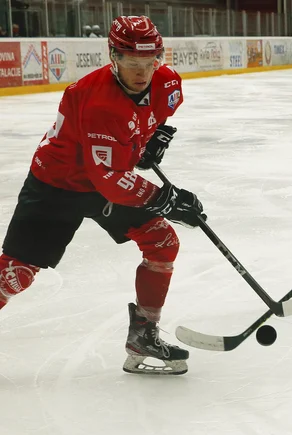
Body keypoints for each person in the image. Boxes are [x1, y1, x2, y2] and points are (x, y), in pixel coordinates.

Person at [0, 16, 204, 375]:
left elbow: (150, 118)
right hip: (58, 184)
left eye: (149, 63)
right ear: (113, 57)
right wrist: (166, 199)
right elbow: (111, 180)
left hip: (104, 177)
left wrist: (149, 140)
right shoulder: (97, 103)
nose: (143, 73)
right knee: (16, 274)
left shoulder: (167, 82)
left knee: (162, 241)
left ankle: (143, 335)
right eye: (131, 64)